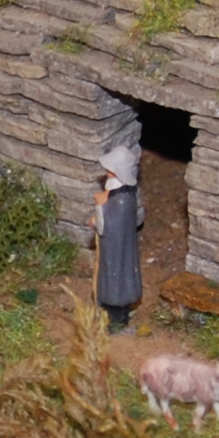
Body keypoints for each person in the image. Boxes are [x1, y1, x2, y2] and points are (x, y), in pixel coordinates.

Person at [94, 141, 145, 332]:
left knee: (116, 285)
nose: (107, 172)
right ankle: (111, 317)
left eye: (110, 169)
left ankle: (117, 323)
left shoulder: (122, 200)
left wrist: (100, 207)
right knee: (110, 282)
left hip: (117, 251)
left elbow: (107, 228)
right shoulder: (119, 195)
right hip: (113, 249)